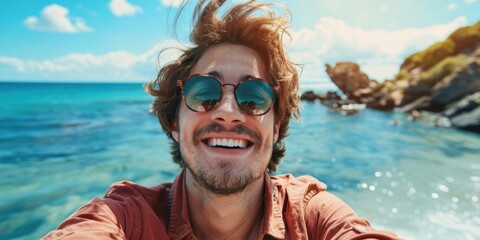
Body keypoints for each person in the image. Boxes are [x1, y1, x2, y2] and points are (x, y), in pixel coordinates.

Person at [43, 1, 398, 239]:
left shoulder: (310, 215)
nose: (228, 110)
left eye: (254, 97)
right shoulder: (128, 217)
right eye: (203, 92)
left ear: (276, 127)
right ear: (173, 120)